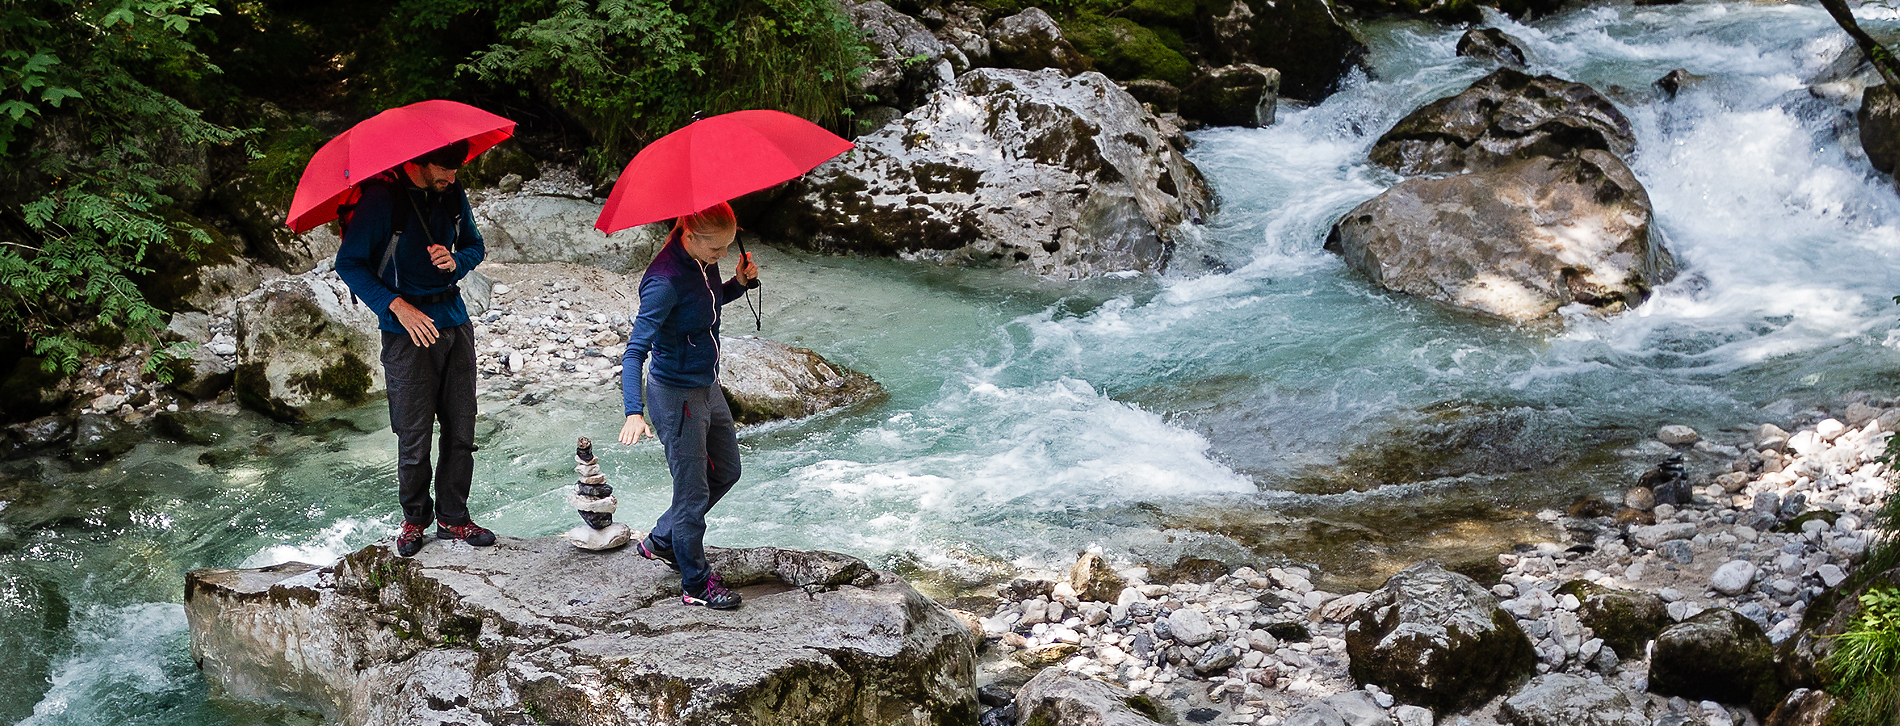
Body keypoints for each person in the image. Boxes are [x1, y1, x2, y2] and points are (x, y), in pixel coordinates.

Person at [334, 139, 496, 558]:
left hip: (454, 322)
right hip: (405, 330)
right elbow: (348, 263)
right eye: (443, 169)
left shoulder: (452, 193)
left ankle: (454, 519)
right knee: (413, 434)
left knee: (461, 429)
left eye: (456, 170)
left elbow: (475, 245)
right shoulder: (382, 199)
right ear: (417, 162)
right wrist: (397, 307)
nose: (452, 177)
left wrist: (455, 261)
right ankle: (414, 519)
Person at [618, 202, 759, 610]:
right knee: (691, 495)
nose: (722, 257)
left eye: (728, 250)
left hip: (706, 386)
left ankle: (661, 540)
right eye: (718, 251)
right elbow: (634, 352)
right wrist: (633, 410)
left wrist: (737, 283)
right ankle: (695, 584)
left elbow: (706, 305)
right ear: (691, 236)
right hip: (676, 395)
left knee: (728, 470)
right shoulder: (664, 281)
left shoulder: (703, 262)